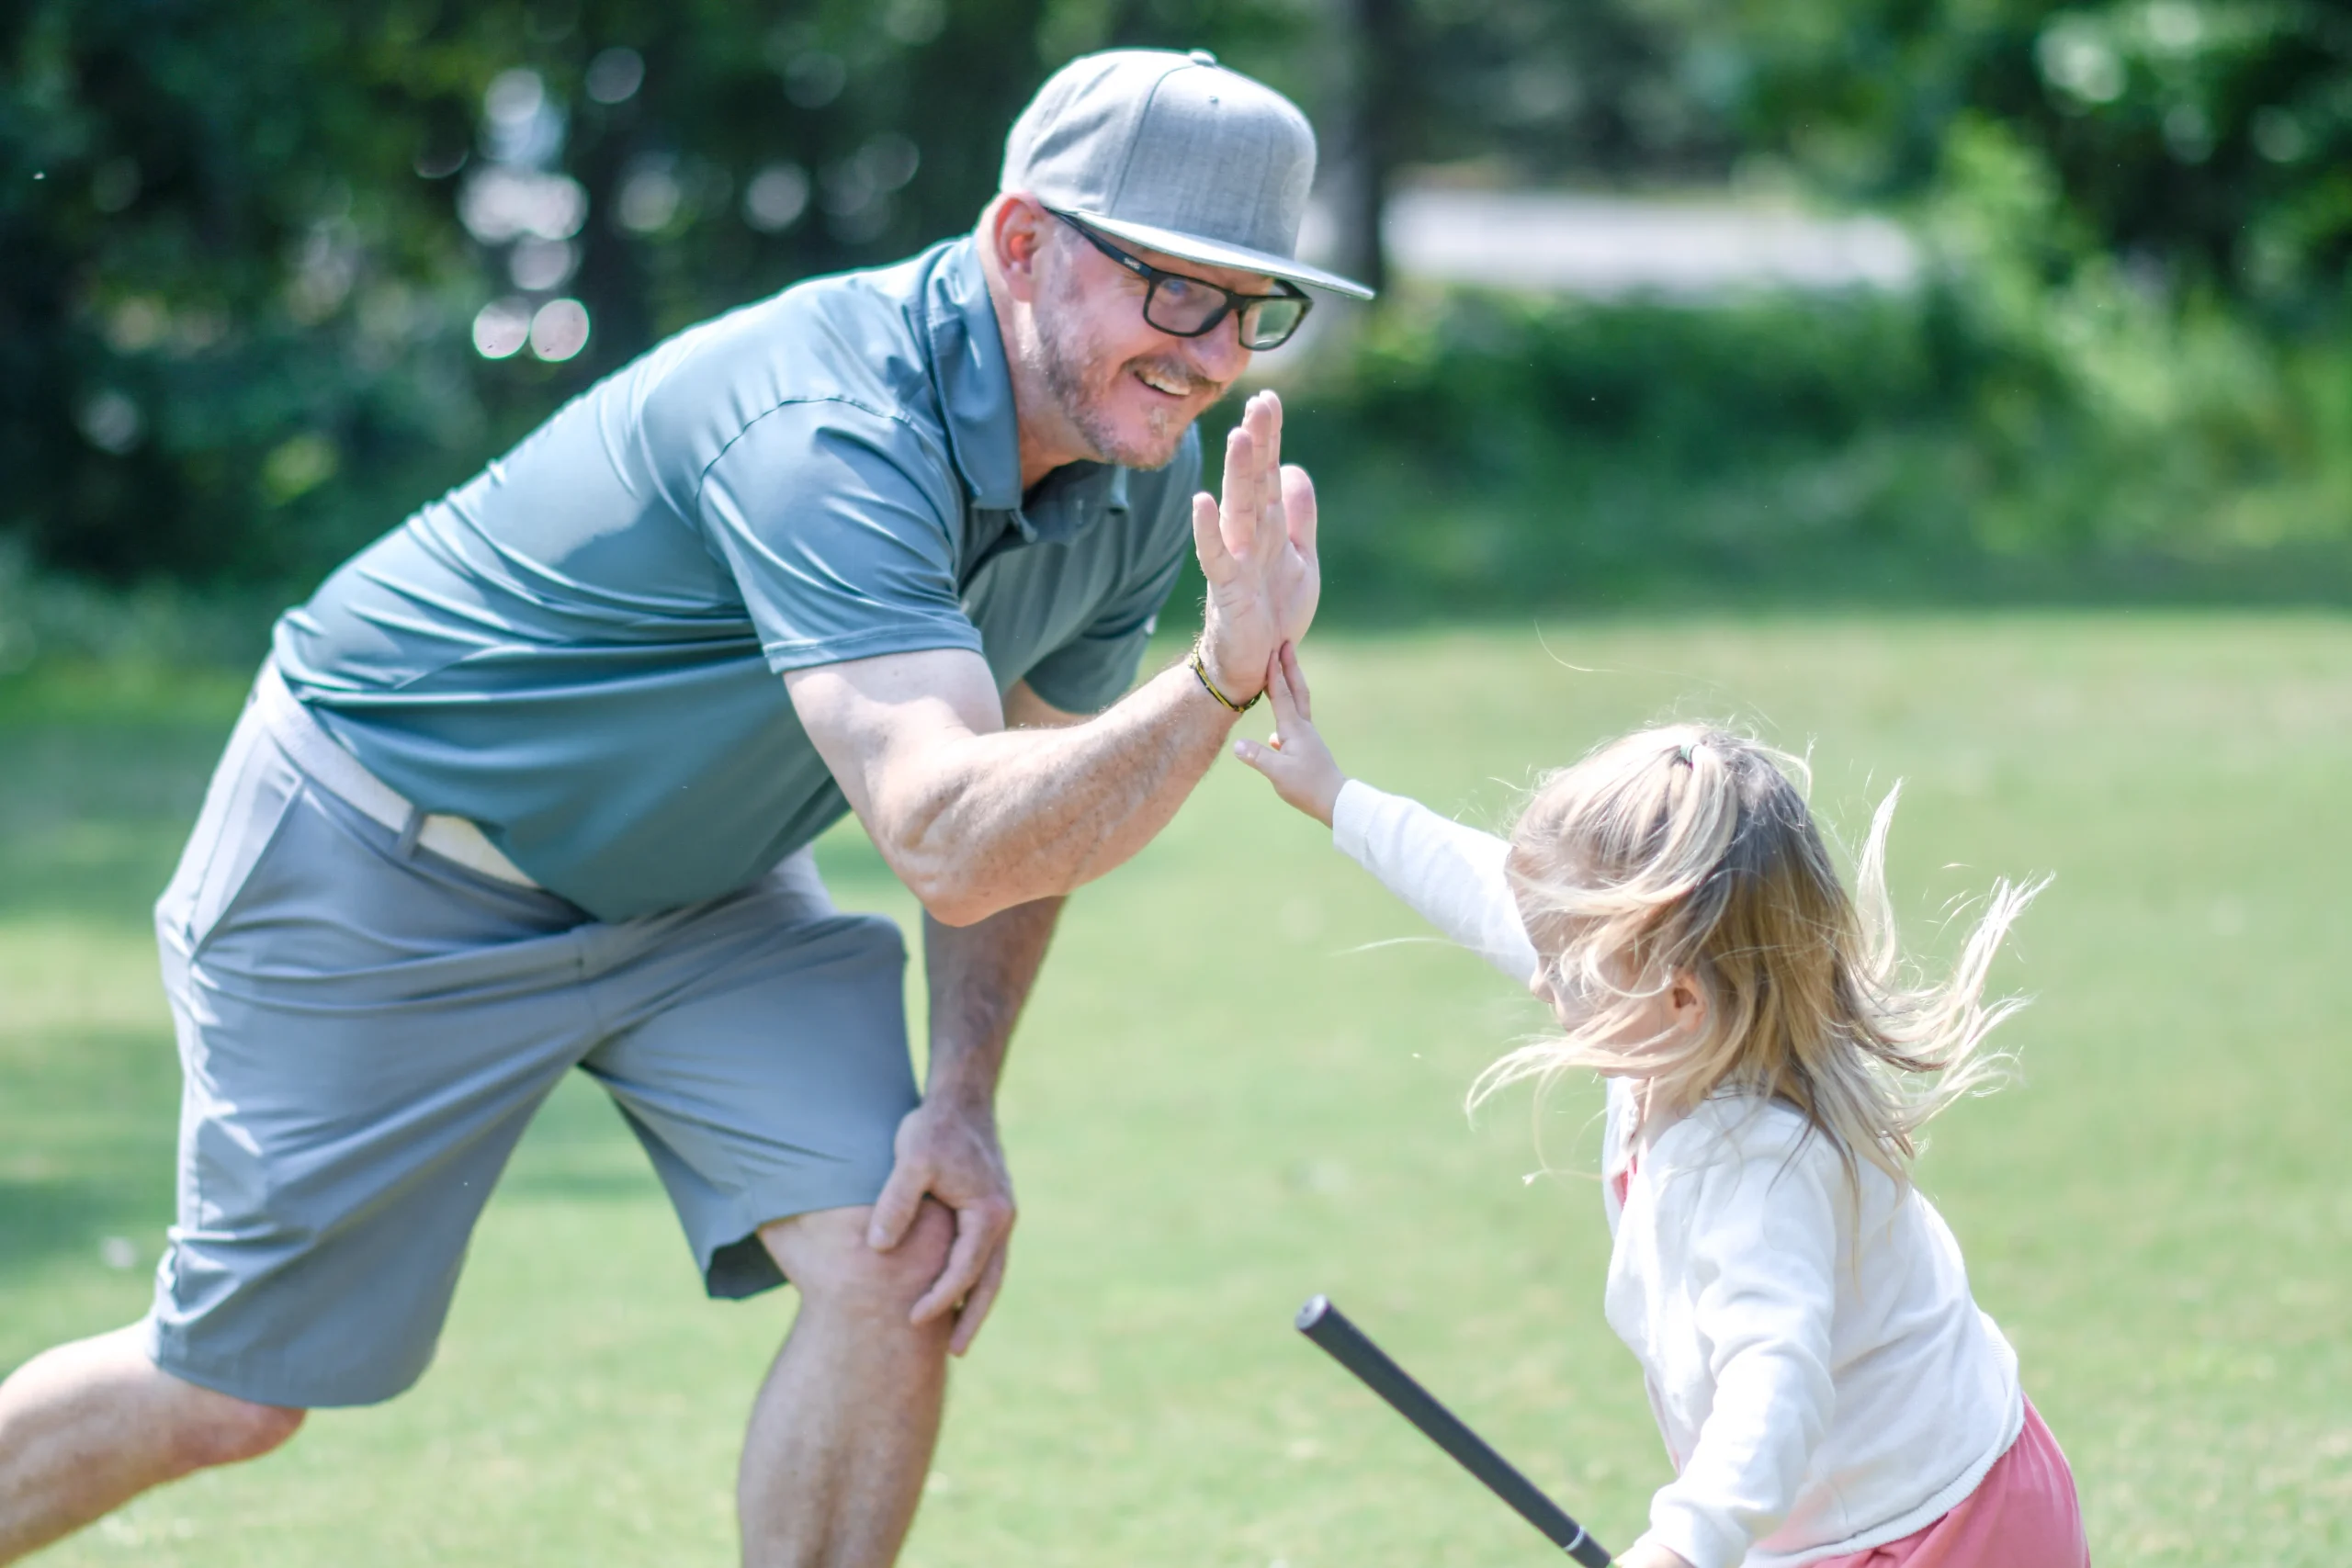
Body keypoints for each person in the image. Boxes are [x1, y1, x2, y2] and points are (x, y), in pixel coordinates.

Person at [0, 50, 1372, 1567]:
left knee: (900, 1245)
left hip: (700, 883)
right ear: (1023, 244)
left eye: (1252, 306)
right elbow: (940, 826)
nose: (1212, 350)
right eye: (1176, 290)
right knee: (226, 1395)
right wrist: (1216, 679)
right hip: (386, 849)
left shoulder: (1132, 465)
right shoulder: (828, 423)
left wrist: (960, 1099)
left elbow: (1025, 807)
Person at [1234, 647, 2091, 1568]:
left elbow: (1774, 1384)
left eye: (1565, 965)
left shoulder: (1761, 1168)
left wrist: (1682, 1548)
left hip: (1935, 1530)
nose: (1539, 982)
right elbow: (1492, 896)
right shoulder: (1664, 1033)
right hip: (1840, 1517)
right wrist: (1338, 798)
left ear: (1679, 997)